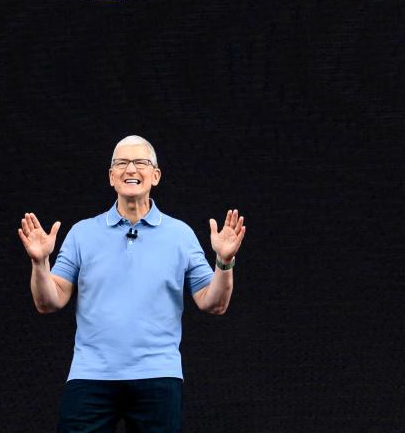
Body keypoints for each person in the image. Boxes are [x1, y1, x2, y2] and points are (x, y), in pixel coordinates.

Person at [18, 135, 246, 433]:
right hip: (91, 376)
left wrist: (224, 262)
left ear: (156, 175)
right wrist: (39, 263)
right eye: (122, 163)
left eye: (140, 162)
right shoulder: (82, 233)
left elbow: (213, 303)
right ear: (111, 177)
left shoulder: (181, 235)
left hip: (158, 375)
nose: (131, 169)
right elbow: (49, 301)